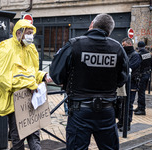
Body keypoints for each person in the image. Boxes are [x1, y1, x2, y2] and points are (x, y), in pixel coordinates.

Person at [50, 13, 129, 150]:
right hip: (107, 111)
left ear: (92, 24)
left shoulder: (74, 44)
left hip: (80, 111)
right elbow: (123, 79)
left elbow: (56, 75)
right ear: (110, 31)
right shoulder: (118, 48)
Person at [0, 19, 52, 150]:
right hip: (15, 101)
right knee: (18, 138)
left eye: (32, 33)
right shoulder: (5, 47)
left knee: (34, 135)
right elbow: (2, 78)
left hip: (31, 99)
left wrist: (43, 76)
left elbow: (32, 72)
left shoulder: (31, 48)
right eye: (28, 33)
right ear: (19, 32)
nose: (31, 36)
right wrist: (29, 84)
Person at [119, 37, 142, 131]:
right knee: (121, 103)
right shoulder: (124, 54)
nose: (122, 47)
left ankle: (127, 124)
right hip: (123, 83)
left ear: (129, 44)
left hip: (132, 83)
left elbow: (129, 67)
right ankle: (121, 122)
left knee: (128, 104)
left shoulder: (135, 55)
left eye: (124, 45)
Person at [134, 41, 152, 115]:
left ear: (138, 47)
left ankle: (141, 109)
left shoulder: (139, 54)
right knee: (141, 92)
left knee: (141, 92)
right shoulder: (148, 54)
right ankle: (139, 107)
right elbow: (151, 65)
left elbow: (138, 66)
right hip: (147, 75)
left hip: (141, 75)